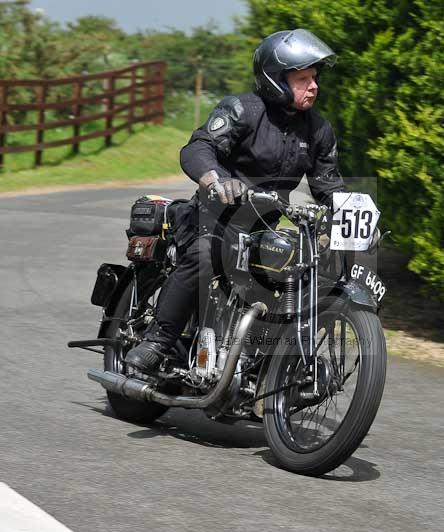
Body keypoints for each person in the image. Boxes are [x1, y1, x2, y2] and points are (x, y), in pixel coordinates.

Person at [125, 28, 346, 374]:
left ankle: (268, 357)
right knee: (205, 254)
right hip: (212, 221)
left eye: (314, 78)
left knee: (302, 273)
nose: (314, 86)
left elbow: (328, 185)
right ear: (276, 80)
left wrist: (355, 213)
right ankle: (159, 340)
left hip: (261, 230)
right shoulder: (242, 110)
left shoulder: (318, 130)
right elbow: (199, 148)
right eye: (303, 78)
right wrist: (216, 179)